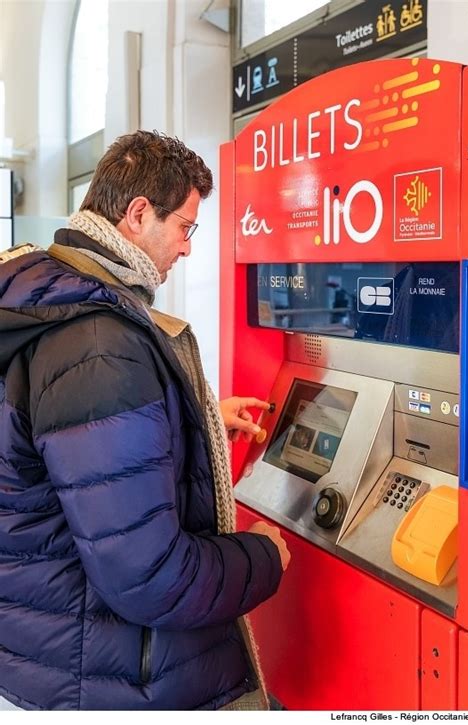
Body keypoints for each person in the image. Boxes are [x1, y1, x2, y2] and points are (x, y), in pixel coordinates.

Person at [0, 130, 290, 711]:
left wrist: (193, 422)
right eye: (185, 227)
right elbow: (151, 575)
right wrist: (264, 558)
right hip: (113, 679)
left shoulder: (54, 297)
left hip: (50, 655)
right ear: (137, 215)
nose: (187, 249)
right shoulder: (100, 342)